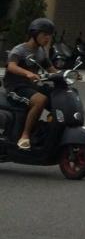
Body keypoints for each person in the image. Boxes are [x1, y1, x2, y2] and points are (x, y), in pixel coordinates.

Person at [4, 17, 59, 150]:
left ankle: (52, 131)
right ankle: (25, 136)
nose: (47, 38)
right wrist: (27, 73)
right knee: (40, 100)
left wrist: (68, 75)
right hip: (15, 87)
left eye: (50, 35)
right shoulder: (19, 50)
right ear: (34, 34)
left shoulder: (41, 51)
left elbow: (51, 69)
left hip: (30, 86)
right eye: (44, 35)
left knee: (57, 96)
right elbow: (11, 66)